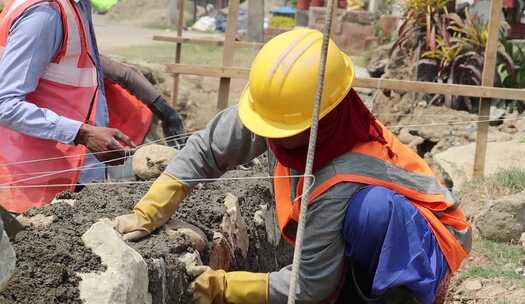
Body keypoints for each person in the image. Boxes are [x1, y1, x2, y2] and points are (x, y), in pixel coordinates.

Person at [114, 28, 472, 304]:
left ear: (321, 120)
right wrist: (151, 208)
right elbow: (208, 147)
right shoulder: (284, 108)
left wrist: (224, 287)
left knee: (372, 213)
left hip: (431, 245)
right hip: (361, 235)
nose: (270, 137)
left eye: (281, 130)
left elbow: (311, 284)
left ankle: (391, 295)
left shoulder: (342, 169)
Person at [0, 0, 184, 213]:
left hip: (68, 174)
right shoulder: (45, 14)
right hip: (38, 184)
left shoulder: (75, 7)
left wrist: (164, 109)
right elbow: (4, 104)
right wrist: (83, 133)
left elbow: (100, 65)